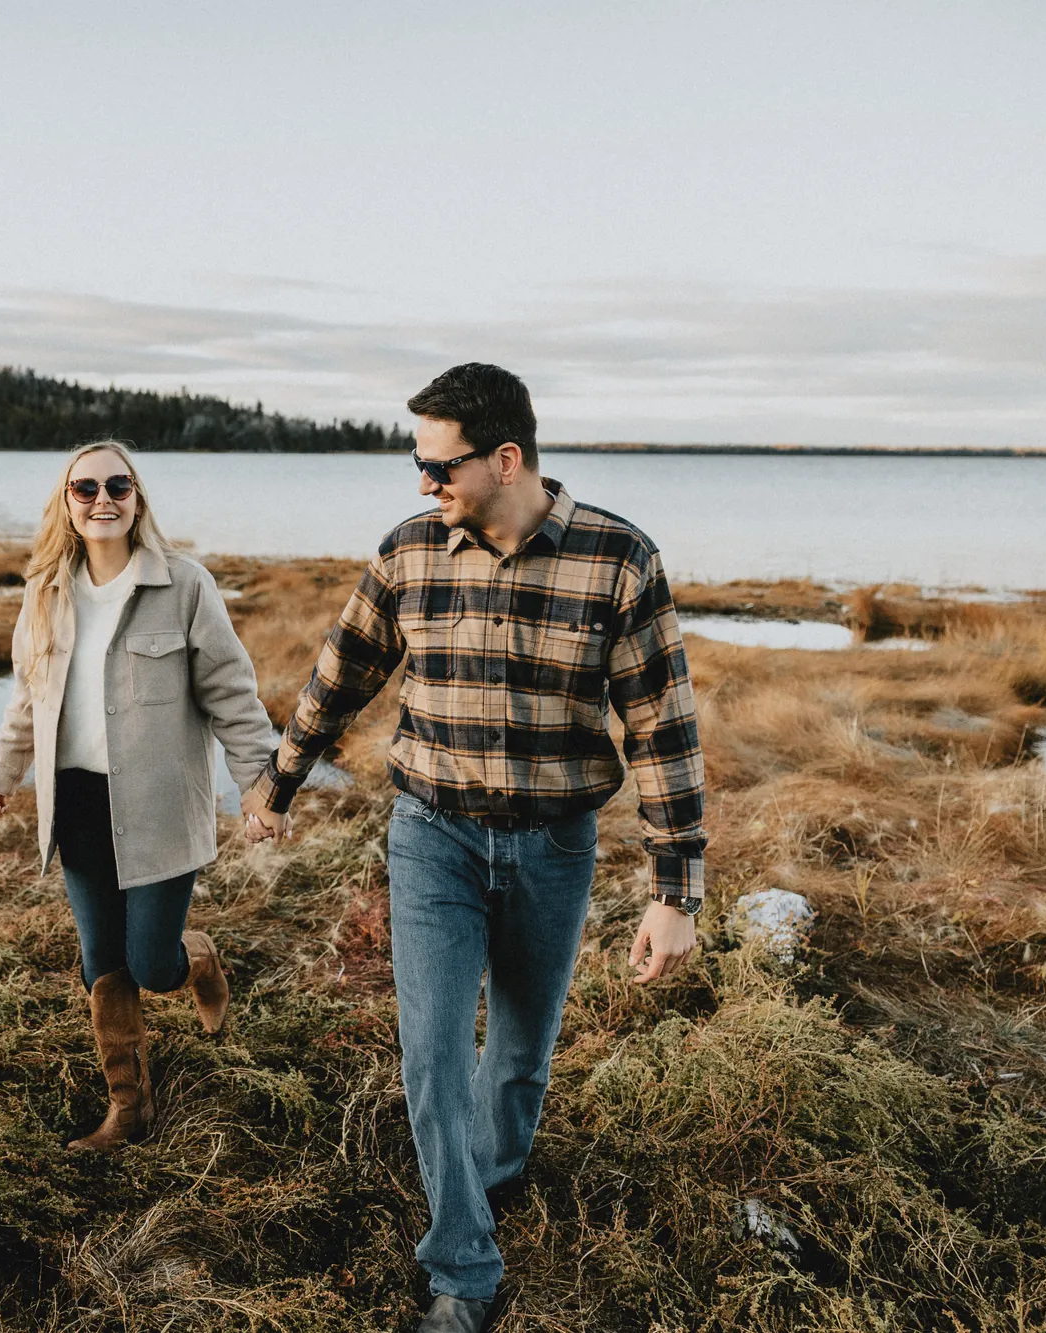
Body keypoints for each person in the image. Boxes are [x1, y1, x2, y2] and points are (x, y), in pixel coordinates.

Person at [241, 364, 706, 1333]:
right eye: (414, 462)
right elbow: (343, 669)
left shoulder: (617, 558)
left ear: (505, 458)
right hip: (430, 840)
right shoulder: (409, 551)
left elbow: (660, 728)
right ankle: (462, 1266)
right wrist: (278, 780)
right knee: (432, 1053)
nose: (420, 482)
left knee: (519, 1060)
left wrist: (674, 892)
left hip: (552, 845)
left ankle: (487, 1180)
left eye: (435, 463)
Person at [0, 440, 279, 1151]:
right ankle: (129, 1110)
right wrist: (1, 769)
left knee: (150, 962)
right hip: (77, 803)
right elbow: (29, 696)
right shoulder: (44, 591)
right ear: (67, 504)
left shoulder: (185, 586)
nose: (102, 499)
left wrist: (260, 787)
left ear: (137, 498)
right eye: (85, 489)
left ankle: (198, 959)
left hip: (158, 808)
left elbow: (232, 693)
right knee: (101, 962)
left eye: (118, 485)